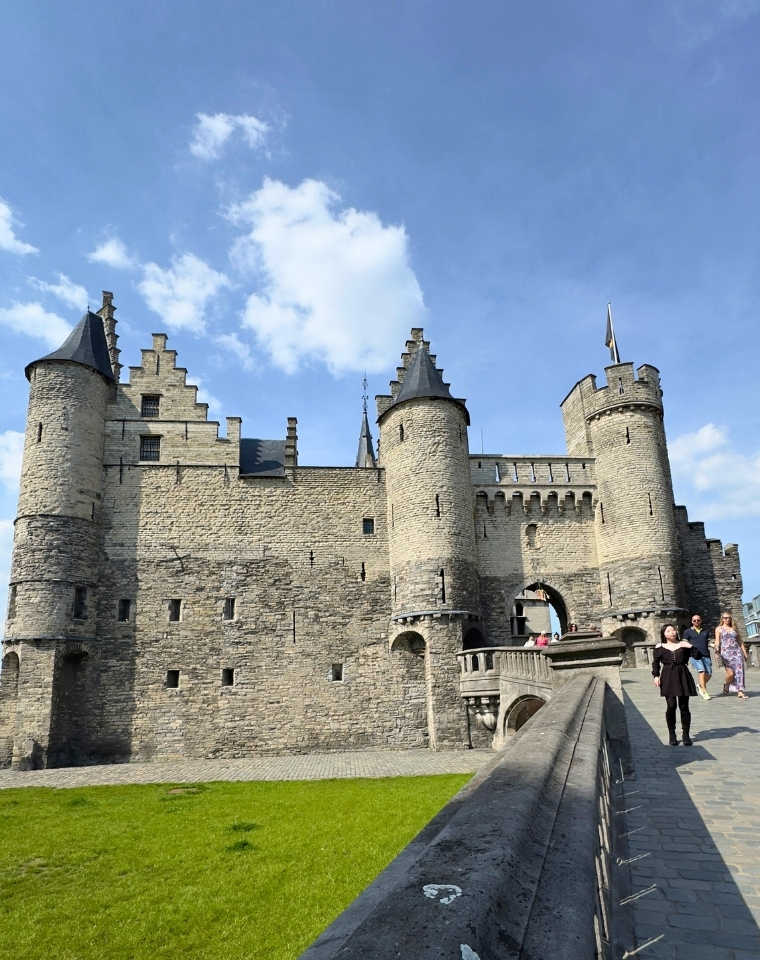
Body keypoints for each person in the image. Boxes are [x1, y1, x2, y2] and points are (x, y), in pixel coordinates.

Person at [652, 624, 700, 746]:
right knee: (671, 706)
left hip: (682, 674)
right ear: (664, 634)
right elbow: (656, 663)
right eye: (669, 631)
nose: (672, 632)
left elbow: (698, 656)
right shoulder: (660, 647)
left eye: (673, 630)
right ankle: (672, 733)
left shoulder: (683, 645)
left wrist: (690, 646)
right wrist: (656, 676)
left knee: (684, 707)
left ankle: (685, 734)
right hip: (668, 675)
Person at [715, 613, 749, 699]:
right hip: (726, 653)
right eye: (725, 618)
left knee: (740, 671)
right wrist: (716, 651)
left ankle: (740, 691)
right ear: (722, 619)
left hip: (737, 652)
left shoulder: (734, 628)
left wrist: (744, 651)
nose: (727, 620)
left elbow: (739, 640)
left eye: (729, 618)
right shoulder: (719, 629)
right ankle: (727, 685)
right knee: (731, 673)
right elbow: (717, 641)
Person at [683, 614, 713, 700]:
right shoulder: (687, 632)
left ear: (701, 621)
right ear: (692, 621)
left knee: (709, 674)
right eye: (694, 620)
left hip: (705, 654)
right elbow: (685, 642)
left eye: (698, 620)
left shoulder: (706, 631)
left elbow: (709, 642)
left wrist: (714, 646)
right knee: (701, 671)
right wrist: (690, 647)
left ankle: (700, 685)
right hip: (695, 655)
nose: (696, 622)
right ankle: (704, 691)